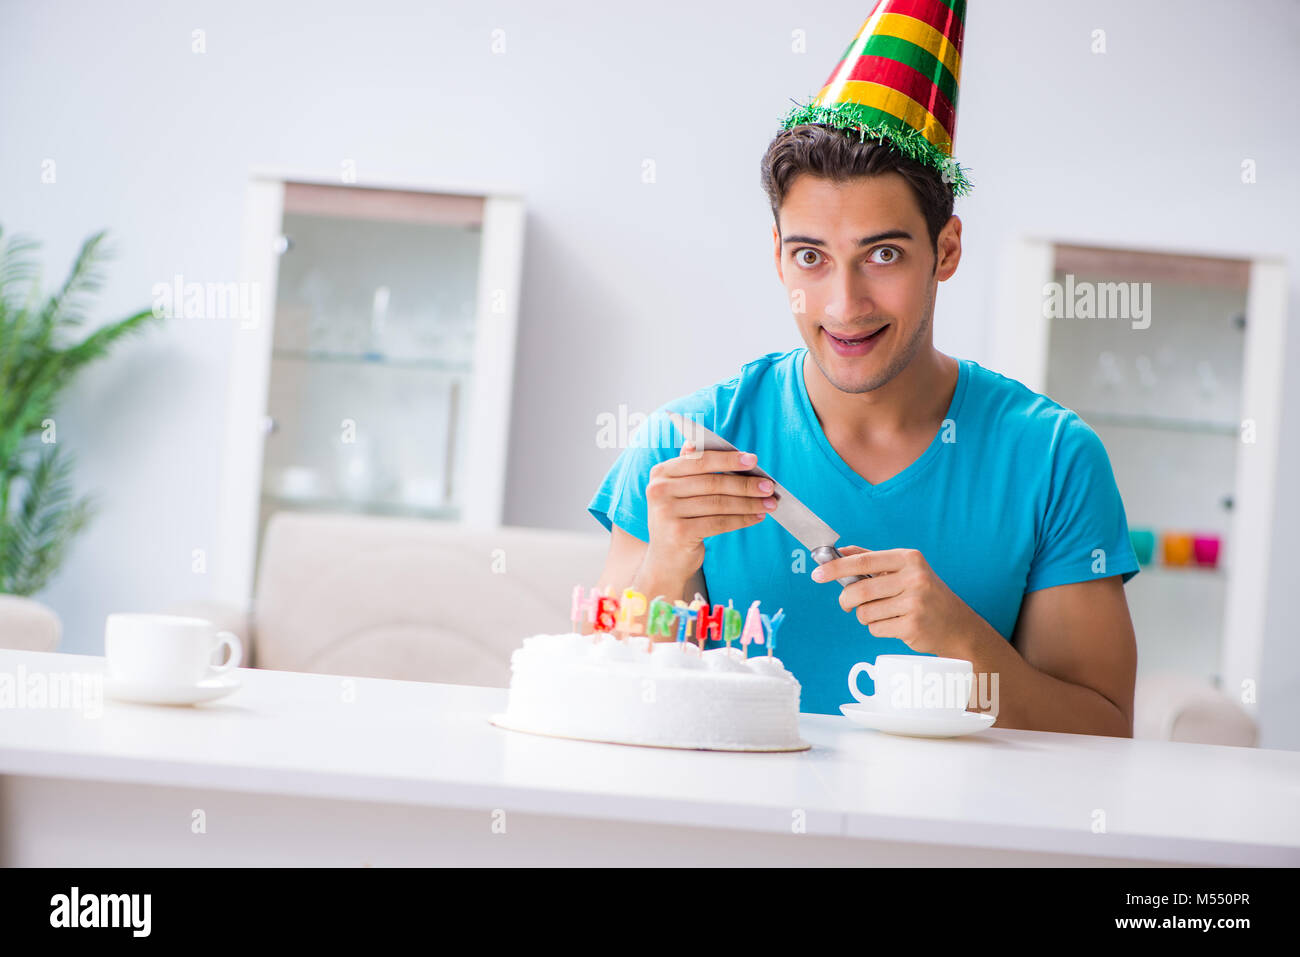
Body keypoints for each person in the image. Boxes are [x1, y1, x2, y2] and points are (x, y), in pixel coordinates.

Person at [587, 3, 1139, 736]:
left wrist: (960, 637)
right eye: (810, 257)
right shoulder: (681, 451)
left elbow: (1103, 734)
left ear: (945, 251)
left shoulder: (1053, 459)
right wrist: (665, 566)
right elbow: (594, 707)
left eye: (883, 255)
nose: (844, 305)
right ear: (778, 254)